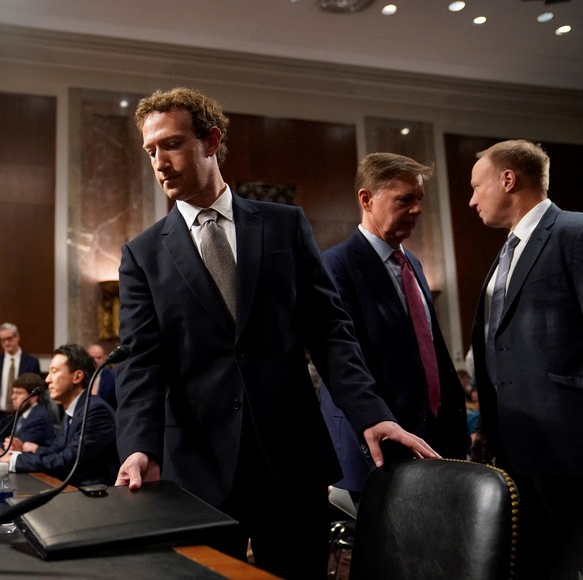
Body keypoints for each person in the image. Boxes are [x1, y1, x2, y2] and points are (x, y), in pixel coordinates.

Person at [113, 87, 438, 578]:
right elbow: (141, 362)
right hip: (197, 470)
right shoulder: (142, 255)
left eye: (172, 144)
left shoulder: (283, 225)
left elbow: (330, 331)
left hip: (291, 463)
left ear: (211, 141)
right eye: (151, 150)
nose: (159, 161)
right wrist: (139, 446)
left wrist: (369, 413)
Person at [319, 152, 468, 501]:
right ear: (366, 199)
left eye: (419, 199)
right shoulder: (334, 267)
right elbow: (344, 362)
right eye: (405, 199)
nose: (417, 209)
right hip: (375, 448)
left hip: (429, 441)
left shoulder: (412, 262)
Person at [468, 139, 583, 579]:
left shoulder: (574, 232)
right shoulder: (503, 254)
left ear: (508, 179)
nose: (472, 199)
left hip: (569, 446)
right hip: (515, 450)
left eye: (477, 186)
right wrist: (488, 428)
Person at [0, 344, 117, 487]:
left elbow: (67, 461)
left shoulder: (95, 411)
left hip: (94, 497)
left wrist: (12, 461)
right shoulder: (74, 409)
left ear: (77, 376)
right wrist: (20, 452)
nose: (47, 380)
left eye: (54, 371)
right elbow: (56, 450)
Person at [0, 322, 40, 445]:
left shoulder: (31, 362)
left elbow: (37, 391)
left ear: (17, 337)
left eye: (9, 339)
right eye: (2, 340)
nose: (6, 343)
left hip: (22, 415)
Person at [0, 372, 55, 450]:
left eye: (19, 393)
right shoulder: (19, 414)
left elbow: (17, 445)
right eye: (13, 393)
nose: (13, 397)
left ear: (33, 397)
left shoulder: (39, 417)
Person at [87, 343, 117, 409]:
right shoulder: (81, 376)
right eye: (92, 358)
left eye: (99, 358)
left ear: (104, 358)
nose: (95, 361)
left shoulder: (113, 378)